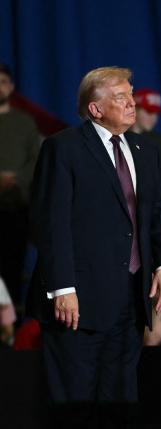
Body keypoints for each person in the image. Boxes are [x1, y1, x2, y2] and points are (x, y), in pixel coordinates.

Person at [27, 66, 161, 428]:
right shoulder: (63, 149)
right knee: (74, 406)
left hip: (130, 300)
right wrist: (63, 288)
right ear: (95, 108)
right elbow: (51, 224)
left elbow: (159, 215)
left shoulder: (146, 151)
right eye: (121, 97)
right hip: (76, 304)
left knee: (120, 404)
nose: (132, 103)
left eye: (131, 94)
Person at [0, 63, 40, 308]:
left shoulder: (24, 122)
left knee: (12, 269)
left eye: (3, 82)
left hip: (16, 208)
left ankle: (10, 334)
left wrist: (14, 179)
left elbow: (35, 161)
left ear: (11, 87)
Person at [130, 88, 161, 192]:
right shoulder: (116, 138)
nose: (153, 117)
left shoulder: (160, 143)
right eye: (149, 112)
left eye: (156, 113)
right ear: (134, 109)